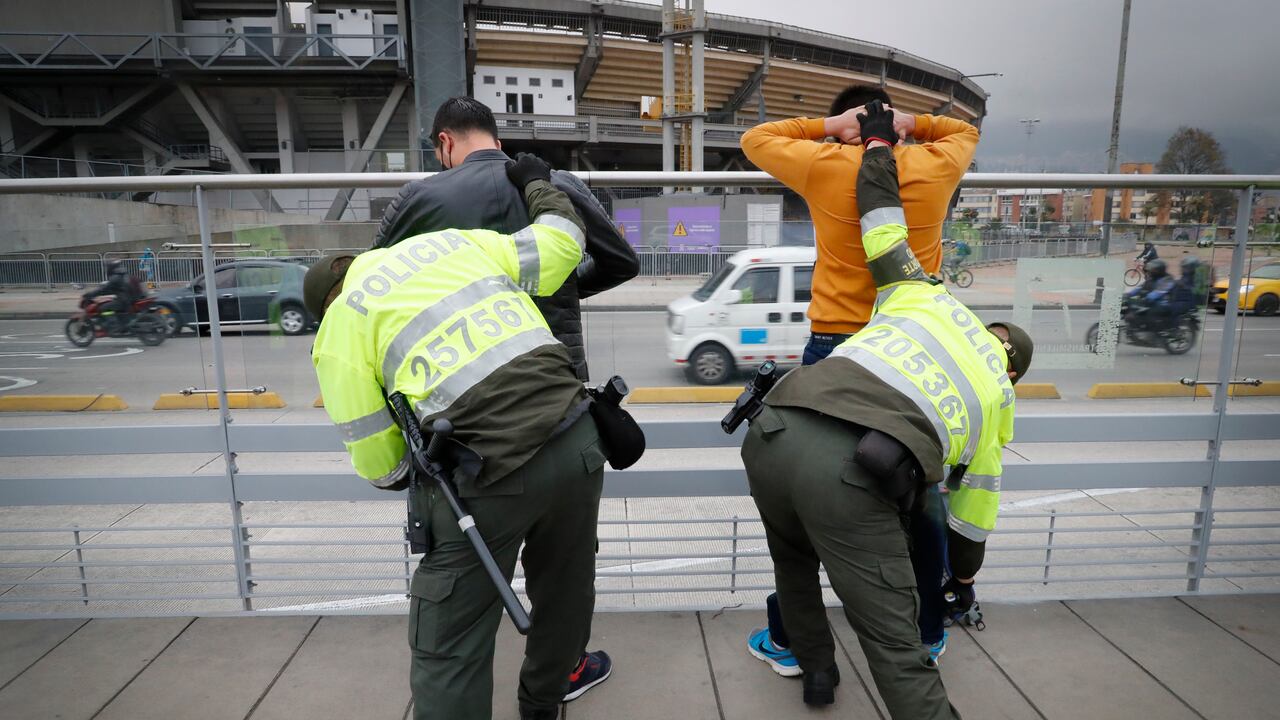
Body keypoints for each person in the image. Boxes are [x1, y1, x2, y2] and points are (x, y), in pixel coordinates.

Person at [740, 102, 1033, 717]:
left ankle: (797, 647)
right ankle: (926, 629)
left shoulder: (825, 163)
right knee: (920, 509)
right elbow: (967, 131)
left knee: (798, 530)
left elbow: (757, 139)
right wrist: (912, 126)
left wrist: (837, 130)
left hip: (840, 358)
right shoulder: (935, 164)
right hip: (903, 356)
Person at [307, 154, 610, 720]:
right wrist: (536, 182)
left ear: (326, 303)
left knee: (449, 639)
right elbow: (564, 243)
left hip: (484, 475)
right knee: (566, 587)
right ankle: (544, 702)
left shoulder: (343, 323)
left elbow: (383, 464)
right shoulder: (449, 245)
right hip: (577, 436)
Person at [375, 96, 640, 382]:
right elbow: (622, 263)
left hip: (467, 380)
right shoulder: (559, 184)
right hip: (557, 374)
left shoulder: (419, 198)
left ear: (445, 141)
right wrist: (563, 289)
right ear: (497, 143)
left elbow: (372, 283)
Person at [82, 261, 139, 333]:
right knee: (109, 304)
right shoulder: (122, 275)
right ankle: (119, 322)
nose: (106, 269)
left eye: (107, 267)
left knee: (104, 308)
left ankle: (114, 325)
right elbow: (111, 289)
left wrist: (90, 294)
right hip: (127, 298)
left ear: (111, 268)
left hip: (123, 300)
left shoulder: (115, 277)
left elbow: (104, 289)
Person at [1126, 258, 1177, 331]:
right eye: (1151, 269)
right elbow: (1140, 287)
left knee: (1146, 313)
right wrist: (1128, 294)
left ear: (1159, 270)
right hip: (1151, 302)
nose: (1150, 271)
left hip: (1163, 303)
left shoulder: (1167, 280)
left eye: (1153, 270)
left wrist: (1147, 298)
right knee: (1131, 306)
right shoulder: (1152, 278)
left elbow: (1158, 292)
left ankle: (1154, 334)